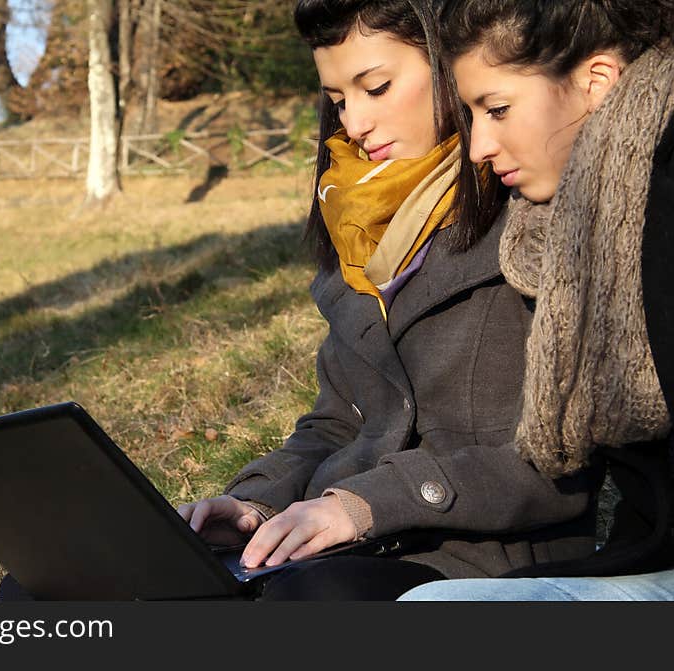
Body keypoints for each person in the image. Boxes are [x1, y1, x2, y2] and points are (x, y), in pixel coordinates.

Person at [173, 0, 605, 602]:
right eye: (340, 100)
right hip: (341, 546)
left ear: (450, 62)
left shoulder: (535, 211)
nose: (354, 124)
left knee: (316, 602)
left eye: (376, 87)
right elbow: (336, 423)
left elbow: (558, 464)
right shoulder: (356, 224)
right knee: (60, 590)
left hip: (479, 566)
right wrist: (256, 502)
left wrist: (367, 505)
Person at [398, 0, 674, 601]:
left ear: (596, 80)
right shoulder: (556, 230)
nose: (478, 147)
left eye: (497, 109)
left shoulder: (660, 199)